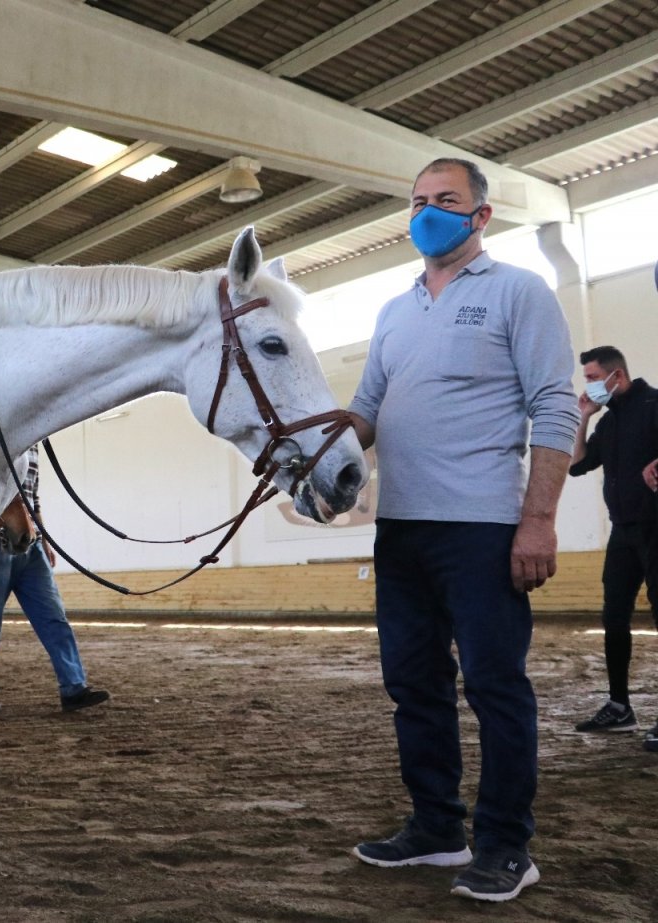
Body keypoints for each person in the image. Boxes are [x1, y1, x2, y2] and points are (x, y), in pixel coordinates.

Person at [346, 158, 578, 902]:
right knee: (413, 683)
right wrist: (296, 439)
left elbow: (556, 406)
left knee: (494, 684)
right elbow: (365, 415)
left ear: (481, 216)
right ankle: (437, 826)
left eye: (445, 201)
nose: (426, 213)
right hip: (402, 531)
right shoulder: (393, 310)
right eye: (417, 202)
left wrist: (537, 519)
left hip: (482, 526)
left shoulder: (519, 291)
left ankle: (507, 843)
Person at [0, 447, 110, 714]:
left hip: (32, 547)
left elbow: (34, 498)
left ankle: (73, 686)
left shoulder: (36, 446)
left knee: (54, 616)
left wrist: (45, 541)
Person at [568, 346, 658, 748]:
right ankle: (620, 707)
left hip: (656, 527)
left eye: (591, 376)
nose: (588, 384)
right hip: (623, 533)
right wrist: (584, 418)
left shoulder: (655, 404)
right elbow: (577, 463)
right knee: (614, 617)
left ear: (616, 375)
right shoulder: (608, 421)